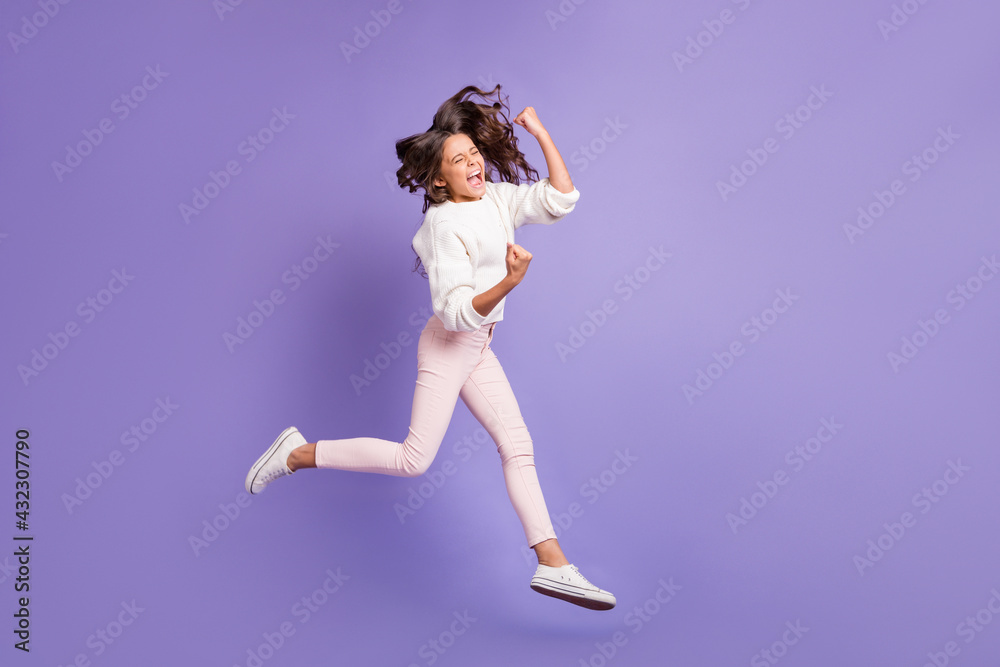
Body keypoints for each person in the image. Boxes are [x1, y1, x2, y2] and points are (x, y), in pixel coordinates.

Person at [244, 84, 615, 611]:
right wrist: (509, 283)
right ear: (439, 177)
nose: (473, 164)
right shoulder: (442, 226)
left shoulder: (496, 197)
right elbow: (454, 311)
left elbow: (561, 199)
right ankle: (297, 453)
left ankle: (553, 564)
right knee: (413, 460)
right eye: (459, 160)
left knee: (518, 447)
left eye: (474, 154)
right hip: (449, 345)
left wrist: (543, 135)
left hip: (477, 347)